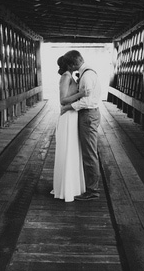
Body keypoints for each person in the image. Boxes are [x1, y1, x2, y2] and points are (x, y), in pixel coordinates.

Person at [60, 50, 101, 201]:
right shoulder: (87, 73)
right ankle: (89, 186)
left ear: (73, 64)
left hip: (88, 115)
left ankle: (92, 191)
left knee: (89, 154)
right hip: (89, 115)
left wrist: (68, 107)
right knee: (88, 152)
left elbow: (88, 101)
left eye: (70, 65)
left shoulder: (87, 75)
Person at [51, 55, 87, 202]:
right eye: (76, 62)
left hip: (73, 114)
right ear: (70, 65)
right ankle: (66, 189)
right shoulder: (66, 77)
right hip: (67, 116)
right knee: (67, 150)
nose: (79, 64)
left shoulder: (71, 76)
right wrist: (81, 93)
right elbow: (62, 100)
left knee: (72, 150)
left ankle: (72, 187)